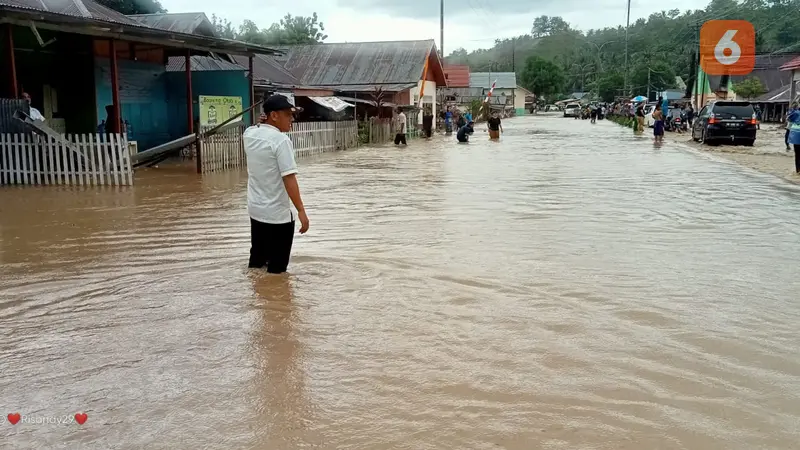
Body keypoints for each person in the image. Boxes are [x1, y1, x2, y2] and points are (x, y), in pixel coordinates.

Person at [243, 94, 309, 274]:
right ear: (274, 115)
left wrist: (260, 123)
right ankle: (277, 301)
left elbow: (254, 128)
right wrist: (301, 210)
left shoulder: (249, 135)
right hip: (278, 216)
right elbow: (289, 178)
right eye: (288, 115)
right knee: (277, 271)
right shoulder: (281, 141)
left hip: (256, 210)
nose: (292, 119)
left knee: (257, 262)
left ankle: (255, 298)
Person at [787, 103, 800, 173]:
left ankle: (798, 171)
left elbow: (789, 118)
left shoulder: (795, 112)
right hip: (796, 135)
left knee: (797, 154)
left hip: (796, 135)